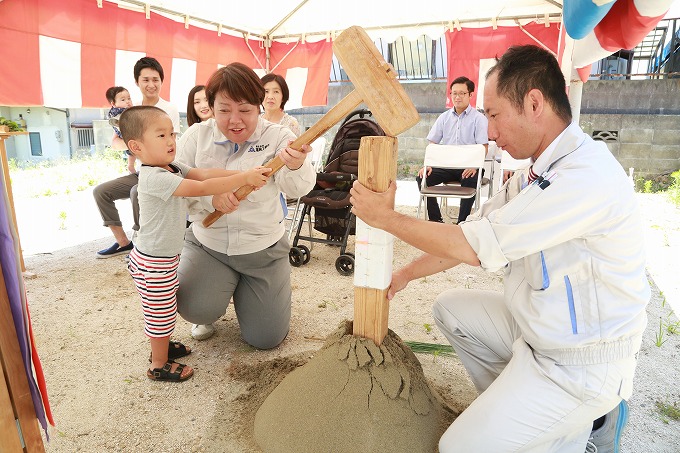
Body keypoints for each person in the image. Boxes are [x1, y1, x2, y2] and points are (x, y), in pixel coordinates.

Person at [349, 45, 649, 453]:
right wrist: (404, 275)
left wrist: (387, 219)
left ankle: (583, 426)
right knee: (450, 310)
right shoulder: (537, 171)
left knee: (458, 447)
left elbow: (479, 248)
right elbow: (472, 232)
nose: (489, 131)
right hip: (539, 335)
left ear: (534, 103)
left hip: (579, 362)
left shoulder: (585, 176)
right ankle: (533, 423)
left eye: (493, 114)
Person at [120, 105, 269, 382]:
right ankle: (158, 364)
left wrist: (247, 172)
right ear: (136, 146)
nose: (171, 141)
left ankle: (162, 348)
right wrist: (244, 179)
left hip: (162, 258)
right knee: (160, 314)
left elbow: (203, 175)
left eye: (172, 134)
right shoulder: (154, 177)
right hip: (154, 263)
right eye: (161, 135)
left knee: (163, 307)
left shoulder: (172, 167)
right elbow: (200, 189)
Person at [176, 63, 316, 344]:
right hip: (209, 245)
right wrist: (209, 197)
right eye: (224, 110)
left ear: (259, 106)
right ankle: (219, 286)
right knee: (194, 308)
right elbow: (176, 188)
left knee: (266, 339)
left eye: (245, 110)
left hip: (262, 249)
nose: (235, 120)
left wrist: (298, 164)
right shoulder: (195, 137)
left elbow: (298, 187)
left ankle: (248, 291)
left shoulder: (279, 137)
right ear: (212, 107)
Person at [93, 57, 181, 258]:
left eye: (156, 80)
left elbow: (169, 146)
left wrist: (137, 145)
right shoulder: (129, 109)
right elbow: (115, 143)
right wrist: (134, 146)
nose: (151, 85)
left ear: (162, 81)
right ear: (137, 82)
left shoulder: (169, 109)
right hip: (142, 171)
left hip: (162, 171)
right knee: (101, 192)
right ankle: (124, 243)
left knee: (136, 192)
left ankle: (143, 246)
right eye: (146, 80)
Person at [417, 76, 488, 224]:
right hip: (446, 166)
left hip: (469, 167)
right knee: (422, 178)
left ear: (470, 95)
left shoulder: (479, 119)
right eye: (454, 93)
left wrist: (474, 166)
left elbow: (484, 147)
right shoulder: (444, 118)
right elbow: (433, 144)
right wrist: (428, 165)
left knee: (470, 179)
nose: (457, 97)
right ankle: (436, 219)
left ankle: (462, 222)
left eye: (462, 93)